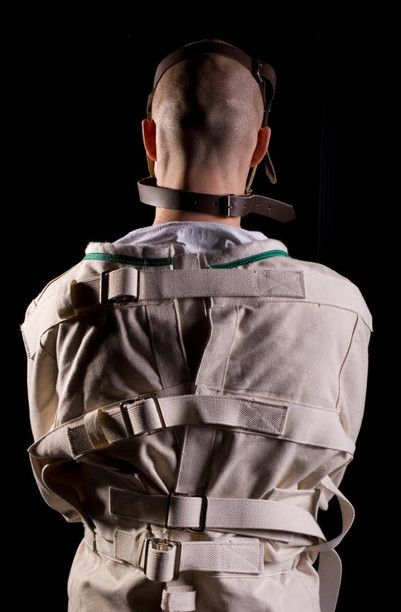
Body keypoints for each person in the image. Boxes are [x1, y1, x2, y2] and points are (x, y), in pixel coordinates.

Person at [21, 39, 372, 612]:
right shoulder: (340, 309)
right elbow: (330, 472)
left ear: (149, 140)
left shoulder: (61, 306)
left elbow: (58, 488)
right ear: (259, 147)